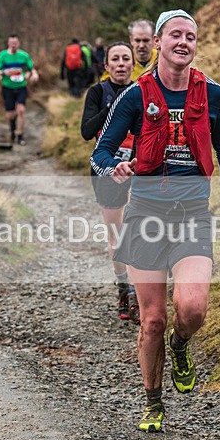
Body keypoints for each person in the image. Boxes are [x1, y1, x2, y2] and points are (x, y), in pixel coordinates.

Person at [90, 10, 220, 432]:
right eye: (175, 35)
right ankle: (153, 404)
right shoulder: (135, 96)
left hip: (193, 216)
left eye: (191, 36)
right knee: (152, 320)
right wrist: (116, 168)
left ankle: (181, 346)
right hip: (145, 216)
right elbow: (100, 152)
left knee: (193, 307)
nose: (184, 42)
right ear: (158, 43)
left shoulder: (212, 94)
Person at [80, 42, 138, 323]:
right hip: (105, 170)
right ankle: (123, 287)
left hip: (137, 169)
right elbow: (86, 131)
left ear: (132, 64)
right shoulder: (97, 92)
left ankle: (140, 292)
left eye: (126, 59)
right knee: (116, 235)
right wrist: (115, 107)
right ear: (106, 66)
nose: (121, 63)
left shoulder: (142, 91)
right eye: (115, 59)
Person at [0, 34, 38, 145]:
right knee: (10, 114)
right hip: (7, 88)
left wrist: (31, 75)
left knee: (21, 111)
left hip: (21, 87)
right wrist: (4, 72)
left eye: (15, 43)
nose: (13, 45)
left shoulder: (24, 55)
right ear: (8, 44)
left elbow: (31, 69)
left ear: (18, 43)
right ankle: (12, 130)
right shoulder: (3, 56)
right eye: (11, 43)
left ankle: (20, 135)